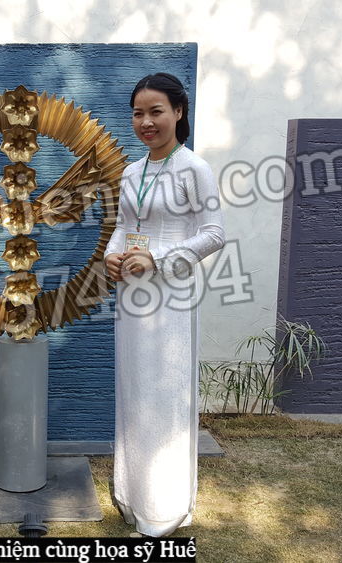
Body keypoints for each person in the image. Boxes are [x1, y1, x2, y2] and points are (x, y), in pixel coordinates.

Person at [104, 72, 225, 537]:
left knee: (165, 391)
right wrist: (112, 256)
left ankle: (163, 506)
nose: (146, 122)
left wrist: (156, 258)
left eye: (156, 111)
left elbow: (213, 234)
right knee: (134, 387)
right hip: (132, 294)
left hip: (171, 296)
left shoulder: (194, 168)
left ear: (178, 111)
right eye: (138, 113)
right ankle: (133, 494)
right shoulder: (131, 171)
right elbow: (123, 226)